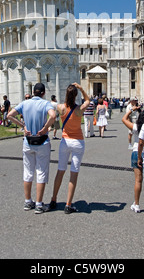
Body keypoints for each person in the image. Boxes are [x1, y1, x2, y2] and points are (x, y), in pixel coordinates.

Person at [7, 83, 56, 214]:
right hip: (42, 142)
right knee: (41, 172)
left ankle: (28, 201)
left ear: (33, 92)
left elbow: (9, 115)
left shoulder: (25, 103)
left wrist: (23, 126)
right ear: (43, 93)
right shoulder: (46, 104)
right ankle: (39, 204)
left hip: (28, 142)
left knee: (28, 172)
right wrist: (45, 128)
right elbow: (53, 116)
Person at [49, 83, 90, 214]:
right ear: (76, 95)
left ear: (66, 95)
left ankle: (53, 200)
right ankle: (68, 204)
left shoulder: (61, 108)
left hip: (65, 142)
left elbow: (50, 103)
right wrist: (81, 88)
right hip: (78, 142)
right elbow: (88, 100)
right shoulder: (79, 109)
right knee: (74, 173)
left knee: (60, 171)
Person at [122, 107, 144, 213]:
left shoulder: (136, 127)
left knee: (138, 180)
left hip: (136, 153)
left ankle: (137, 204)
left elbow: (124, 119)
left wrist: (131, 110)